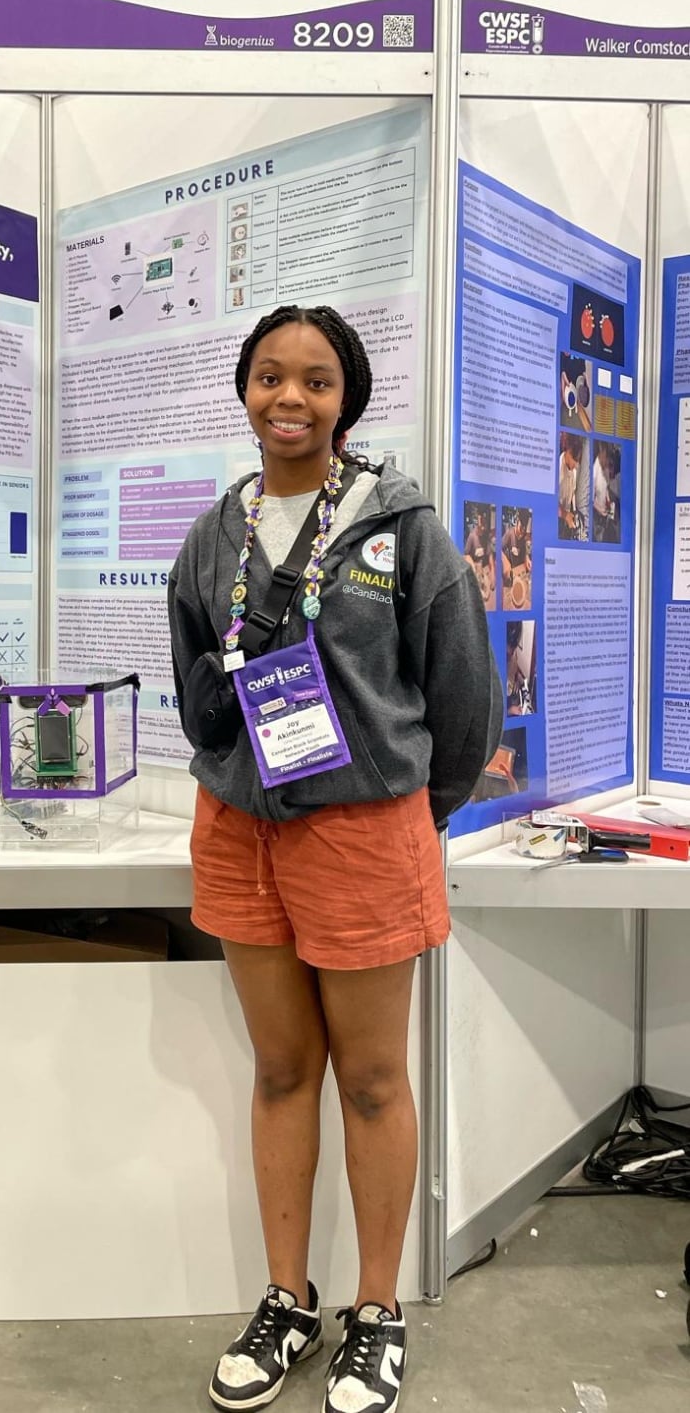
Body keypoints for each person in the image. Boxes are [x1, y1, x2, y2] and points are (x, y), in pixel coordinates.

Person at [168, 305, 501, 1413]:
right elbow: (195, 692)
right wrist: (235, 778)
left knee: (367, 1078)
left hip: (364, 834)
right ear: (244, 389)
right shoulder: (215, 533)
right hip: (239, 834)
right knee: (277, 1071)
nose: (289, 398)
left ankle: (375, 1310)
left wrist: (406, 815)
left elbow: (464, 703)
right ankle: (286, 1297)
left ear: (345, 397)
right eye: (269, 376)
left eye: (314, 379)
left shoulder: (403, 526)